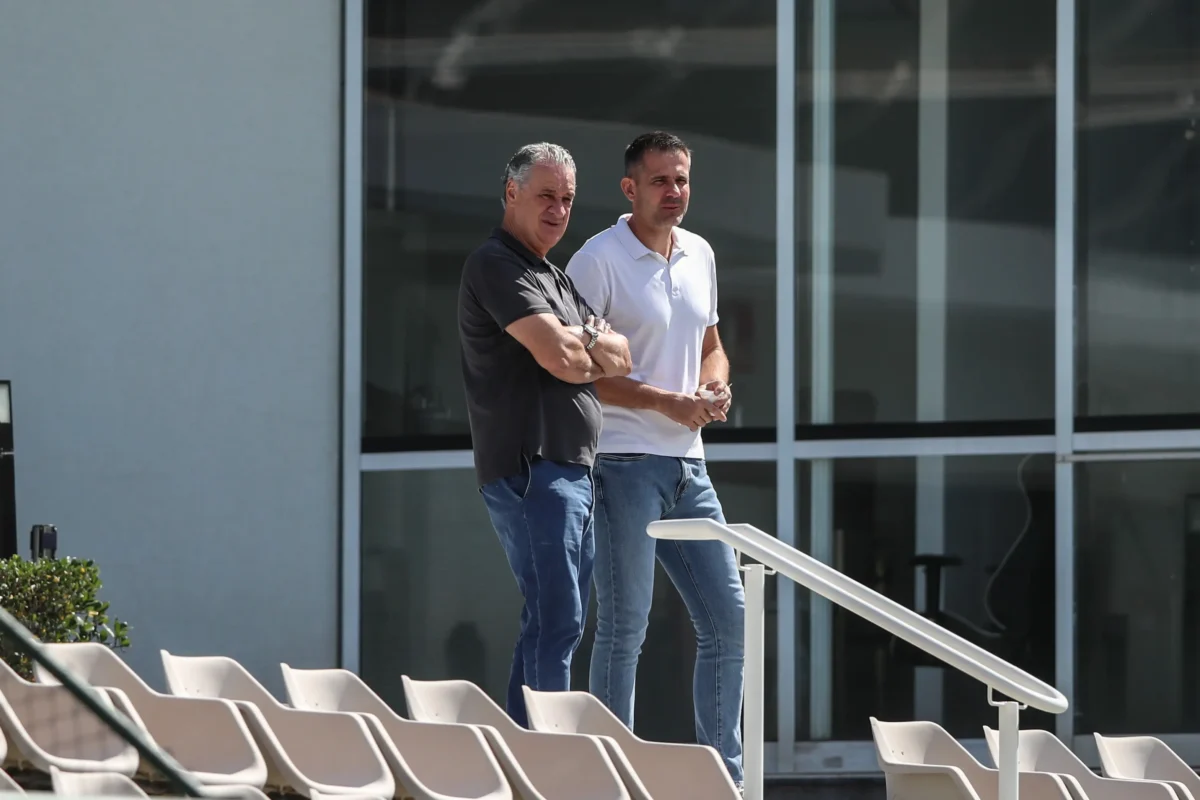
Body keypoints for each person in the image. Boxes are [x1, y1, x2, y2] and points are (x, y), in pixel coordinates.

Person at [565, 131, 745, 788]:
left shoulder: (700, 253)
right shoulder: (596, 260)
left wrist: (714, 384)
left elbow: (711, 343)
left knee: (728, 621)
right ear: (630, 189)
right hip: (620, 464)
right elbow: (578, 373)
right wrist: (667, 403)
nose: (675, 193)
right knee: (625, 626)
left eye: (683, 181)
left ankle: (724, 778)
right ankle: (610, 778)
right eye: (662, 181)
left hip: (689, 469)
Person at [457, 142, 632, 727]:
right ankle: (549, 759)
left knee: (556, 619)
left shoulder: (552, 275)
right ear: (512, 193)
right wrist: (583, 341)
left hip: (571, 470)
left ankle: (523, 755)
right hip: (533, 469)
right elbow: (562, 358)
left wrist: (580, 339)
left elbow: (622, 355)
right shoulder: (495, 263)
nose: (559, 210)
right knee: (558, 618)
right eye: (546, 196)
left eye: (567, 199)